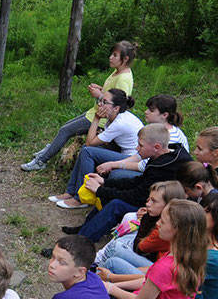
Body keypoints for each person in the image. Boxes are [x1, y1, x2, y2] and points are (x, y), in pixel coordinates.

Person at [22, 41, 136, 171]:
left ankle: (41, 161)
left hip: (101, 118)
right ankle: (47, 152)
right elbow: (112, 93)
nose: (110, 57)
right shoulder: (117, 71)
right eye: (111, 54)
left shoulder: (124, 78)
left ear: (125, 59)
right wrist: (102, 89)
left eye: (115, 55)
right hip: (95, 111)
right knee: (66, 126)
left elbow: (118, 104)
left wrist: (99, 95)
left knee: (65, 130)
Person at [72, 123, 192, 242]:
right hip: (153, 199)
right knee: (109, 196)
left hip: (167, 210)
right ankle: (85, 231)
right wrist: (105, 182)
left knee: (116, 205)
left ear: (156, 147)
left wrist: (99, 190)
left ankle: (80, 243)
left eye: (140, 145)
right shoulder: (163, 155)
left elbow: (136, 196)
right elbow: (139, 181)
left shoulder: (165, 167)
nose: (137, 148)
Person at [104, 200, 207, 299]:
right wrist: (112, 285)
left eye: (163, 222)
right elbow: (149, 284)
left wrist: (111, 289)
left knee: (91, 298)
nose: (157, 224)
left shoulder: (165, 267)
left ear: (178, 230)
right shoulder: (191, 259)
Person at [51, 89, 144, 209]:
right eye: (100, 100)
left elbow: (90, 143)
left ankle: (83, 198)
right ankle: (71, 192)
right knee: (86, 149)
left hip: (133, 159)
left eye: (105, 102)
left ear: (116, 108)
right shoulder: (115, 117)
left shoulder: (120, 122)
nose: (100, 104)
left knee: (87, 151)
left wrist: (96, 119)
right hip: (126, 154)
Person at [95, 181, 187, 276]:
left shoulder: (164, 229)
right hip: (153, 263)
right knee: (123, 235)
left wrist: (147, 217)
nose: (147, 204)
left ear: (168, 206)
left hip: (156, 268)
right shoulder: (166, 221)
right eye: (149, 199)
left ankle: (96, 273)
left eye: (153, 201)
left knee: (114, 250)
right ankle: (98, 266)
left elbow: (139, 248)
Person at [95, 94, 190, 177]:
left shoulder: (170, 137)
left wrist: (114, 165)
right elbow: (140, 156)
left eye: (151, 110)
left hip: (159, 176)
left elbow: (143, 166)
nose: (146, 112)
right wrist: (114, 164)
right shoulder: (159, 129)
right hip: (145, 165)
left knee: (115, 174)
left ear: (164, 115)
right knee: (91, 152)